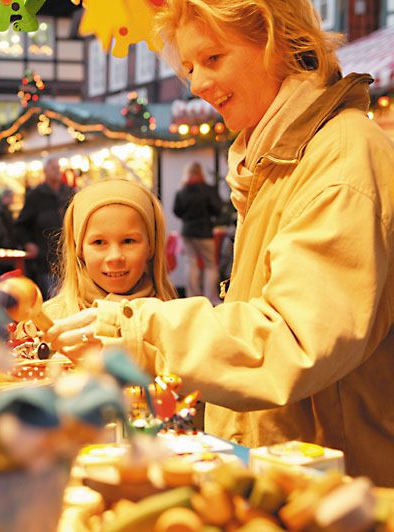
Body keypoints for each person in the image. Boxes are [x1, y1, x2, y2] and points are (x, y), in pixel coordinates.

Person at [45, 0, 394, 486]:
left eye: (213, 58)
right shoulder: (279, 159)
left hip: (338, 485)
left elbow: (292, 340)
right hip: (292, 472)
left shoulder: (338, 156)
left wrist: (135, 326)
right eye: (189, 66)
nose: (198, 84)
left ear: (278, 41)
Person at [44, 180, 176, 354]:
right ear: (80, 248)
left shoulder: (173, 323)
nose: (115, 257)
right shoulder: (51, 321)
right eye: (99, 242)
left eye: (129, 241)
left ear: (151, 246)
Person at [14, 158, 74, 298]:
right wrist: (28, 243)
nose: (56, 170)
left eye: (58, 167)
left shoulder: (69, 192)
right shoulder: (35, 196)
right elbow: (20, 227)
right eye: (52, 167)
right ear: (45, 172)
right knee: (53, 299)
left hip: (70, 256)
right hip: (45, 260)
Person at [173, 162, 222, 303]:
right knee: (210, 265)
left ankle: (192, 297)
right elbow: (217, 209)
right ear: (201, 172)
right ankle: (211, 297)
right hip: (204, 231)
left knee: (191, 263)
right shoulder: (208, 190)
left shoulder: (182, 191)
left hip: (187, 232)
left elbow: (177, 211)